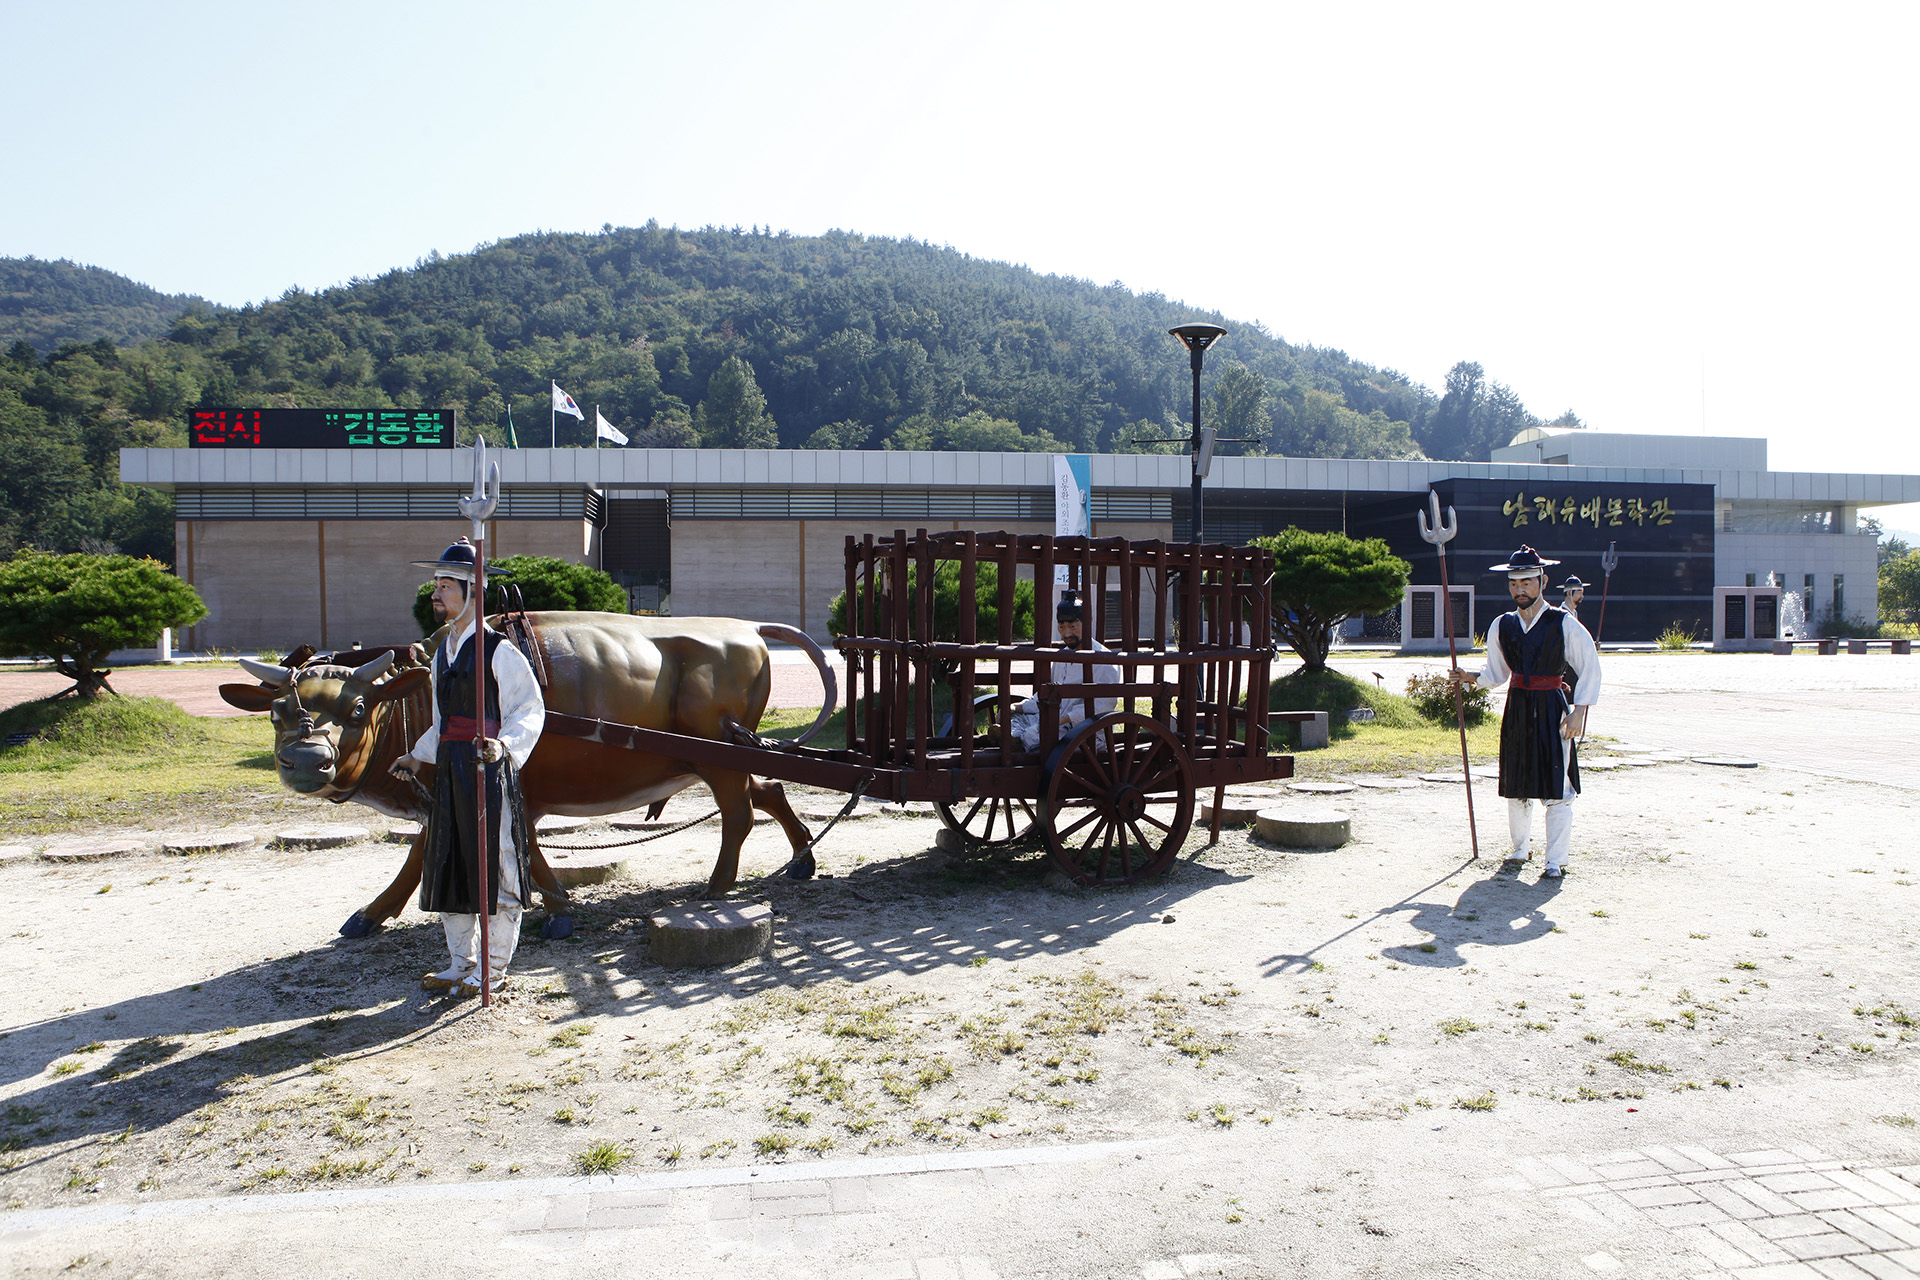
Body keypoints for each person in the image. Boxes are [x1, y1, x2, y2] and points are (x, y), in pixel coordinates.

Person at [389, 539, 545, 997]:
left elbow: (530, 709)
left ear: (471, 591)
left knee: (495, 867)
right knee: (452, 863)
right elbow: (442, 721)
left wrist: (505, 746)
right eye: (435, 585)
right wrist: (418, 754)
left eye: (445, 586)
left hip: (488, 772)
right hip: (451, 772)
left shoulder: (498, 651)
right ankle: (461, 963)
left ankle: (492, 971)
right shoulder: (442, 654)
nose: (436, 595)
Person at [1450, 547, 1601, 880]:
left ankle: (1555, 859)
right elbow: (1497, 672)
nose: (1520, 589)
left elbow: (1589, 666)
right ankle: (1520, 848)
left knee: (1557, 787)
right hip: (1517, 706)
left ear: (1542, 581)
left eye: (1527, 582)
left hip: (1551, 706)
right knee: (1517, 781)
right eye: (1514, 583)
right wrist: (1471, 679)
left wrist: (1579, 712)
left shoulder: (1563, 623)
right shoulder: (1502, 625)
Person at [1011, 589, 1121, 752]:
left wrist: (1062, 719)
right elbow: (1049, 693)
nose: (1067, 633)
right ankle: (1014, 737)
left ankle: (1018, 740)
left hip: (1084, 733)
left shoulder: (1104, 660)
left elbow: (1103, 705)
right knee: (1014, 718)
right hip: (1055, 722)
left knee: (1033, 734)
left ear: (1087, 623)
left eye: (1073, 626)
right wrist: (1019, 707)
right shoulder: (1062, 657)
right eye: (1062, 626)